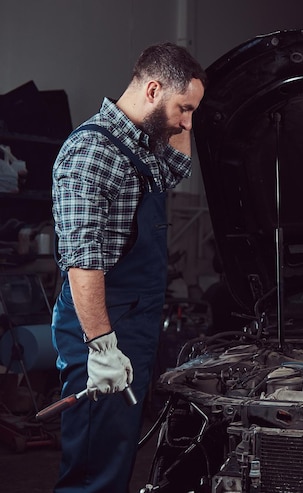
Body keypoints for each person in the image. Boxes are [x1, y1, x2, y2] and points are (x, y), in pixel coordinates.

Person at [50, 42, 206, 493]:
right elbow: (82, 262)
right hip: (101, 323)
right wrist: (101, 347)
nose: (187, 123)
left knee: (117, 453)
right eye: (184, 109)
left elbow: (178, 167)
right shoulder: (91, 153)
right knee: (93, 465)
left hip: (133, 319)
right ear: (153, 89)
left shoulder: (141, 145)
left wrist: (180, 109)